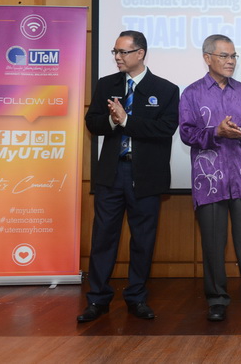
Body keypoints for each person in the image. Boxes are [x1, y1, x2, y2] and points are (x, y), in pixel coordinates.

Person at [79, 30, 179, 322]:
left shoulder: (166, 89)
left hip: (146, 176)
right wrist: (112, 121)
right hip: (112, 173)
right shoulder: (106, 84)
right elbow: (92, 123)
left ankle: (136, 298)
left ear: (140, 53)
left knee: (143, 241)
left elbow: (165, 129)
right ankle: (97, 299)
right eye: (115, 52)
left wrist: (127, 120)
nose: (117, 57)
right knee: (103, 238)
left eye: (123, 52)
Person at [179, 34, 241, 322]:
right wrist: (216, 132)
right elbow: (186, 133)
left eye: (233, 56)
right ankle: (217, 300)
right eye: (224, 56)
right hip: (209, 181)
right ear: (207, 58)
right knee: (212, 244)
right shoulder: (192, 93)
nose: (231, 61)